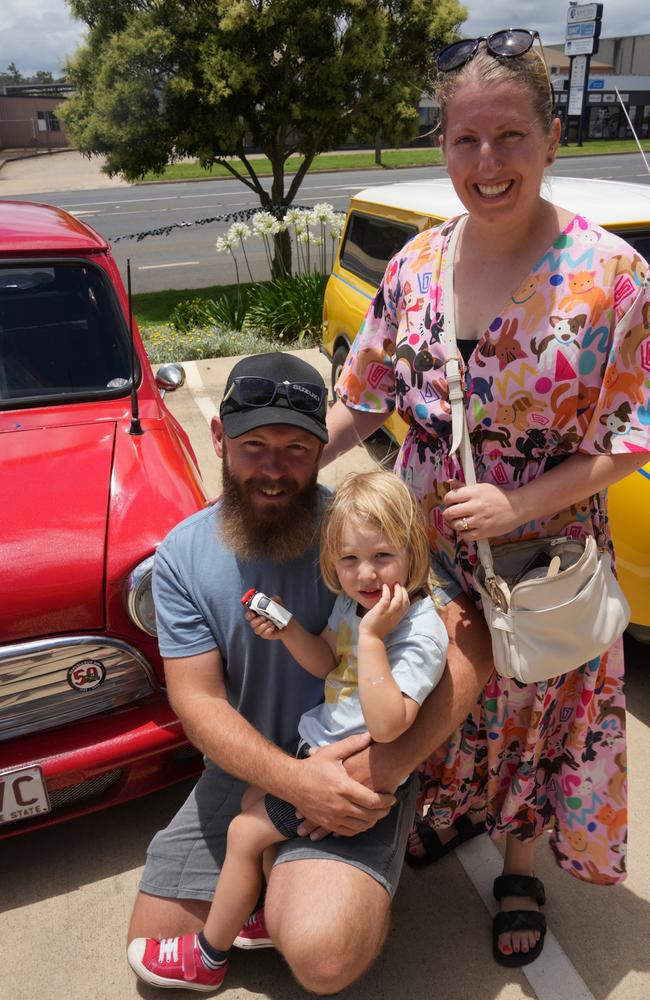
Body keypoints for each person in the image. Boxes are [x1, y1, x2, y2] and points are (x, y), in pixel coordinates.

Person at [324, 28, 650, 968]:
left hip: (535, 548)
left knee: (537, 701)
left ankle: (520, 863)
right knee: (440, 683)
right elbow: (366, 392)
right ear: (444, 149)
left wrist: (518, 504)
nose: (488, 162)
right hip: (428, 544)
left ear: (553, 139)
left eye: (509, 136)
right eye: (465, 140)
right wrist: (299, 462)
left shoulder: (611, 279)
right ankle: (460, 808)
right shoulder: (417, 264)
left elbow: (631, 436)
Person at [126, 351, 492, 995]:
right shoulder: (182, 555)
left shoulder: (360, 532)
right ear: (219, 438)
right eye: (253, 444)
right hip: (258, 764)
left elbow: (467, 636)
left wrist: (382, 768)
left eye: (297, 447)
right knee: (146, 941)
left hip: (354, 759)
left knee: (322, 956)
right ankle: (268, 892)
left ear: (323, 445)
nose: (273, 468)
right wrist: (296, 782)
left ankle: (283, 898)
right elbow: (198, 704)